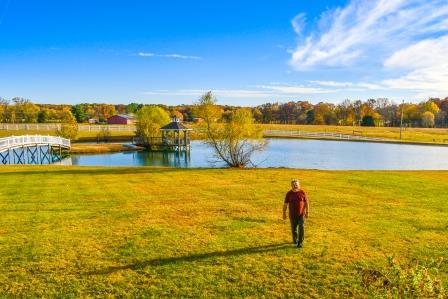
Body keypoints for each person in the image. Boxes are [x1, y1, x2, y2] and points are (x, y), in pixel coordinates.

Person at [283, 179, 309, 248]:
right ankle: (295, 240)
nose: (295, 186)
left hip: (301, 215)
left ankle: (300, 243)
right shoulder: (289, 193)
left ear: (299, 185)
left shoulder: (302, 192)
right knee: (293, 229)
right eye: (293, 184)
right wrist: (284, 213)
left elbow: (306, 203)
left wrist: (307, 212)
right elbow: (285, 204)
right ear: (291, 185)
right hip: (292, 215)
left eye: (296, 184)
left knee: (301, 228)